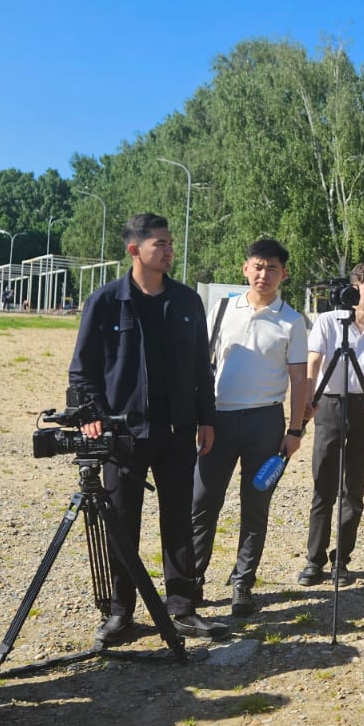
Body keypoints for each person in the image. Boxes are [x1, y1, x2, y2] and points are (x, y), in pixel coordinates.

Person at [69, 214, 226, 646]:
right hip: (122, 437)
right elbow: (83, 370)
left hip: (178, 432)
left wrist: (206, 418)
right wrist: (93, 415)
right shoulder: (105, 302)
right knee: (122, 523)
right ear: (134, 250)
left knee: (178, 520)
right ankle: (121, 613)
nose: (169, 250)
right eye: (160, 244)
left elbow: (201, 368)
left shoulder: (187, 302)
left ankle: (183, 607)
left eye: (170, 243)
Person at [192, 238, 308, 618]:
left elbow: (299, 379)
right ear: (245, 268)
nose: (263, 274)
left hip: (265, 424)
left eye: (272, 268)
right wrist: (200, 417)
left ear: (284, 274)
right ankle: (192, 582)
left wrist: (295, 431)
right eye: (257, 266)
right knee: (202, 502)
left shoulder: (292, 321)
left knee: (256, 505)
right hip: (219, 421)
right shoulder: (222, 310)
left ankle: (243, 583)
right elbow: (201, 366)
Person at [297, 264, 364, 587]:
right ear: (355, 290)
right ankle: (314, 561)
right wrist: (307, 400)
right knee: (323, 485)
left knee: (353, 489)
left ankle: (342, 560)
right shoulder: (328, 322)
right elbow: (313, 361)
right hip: (329, 403)